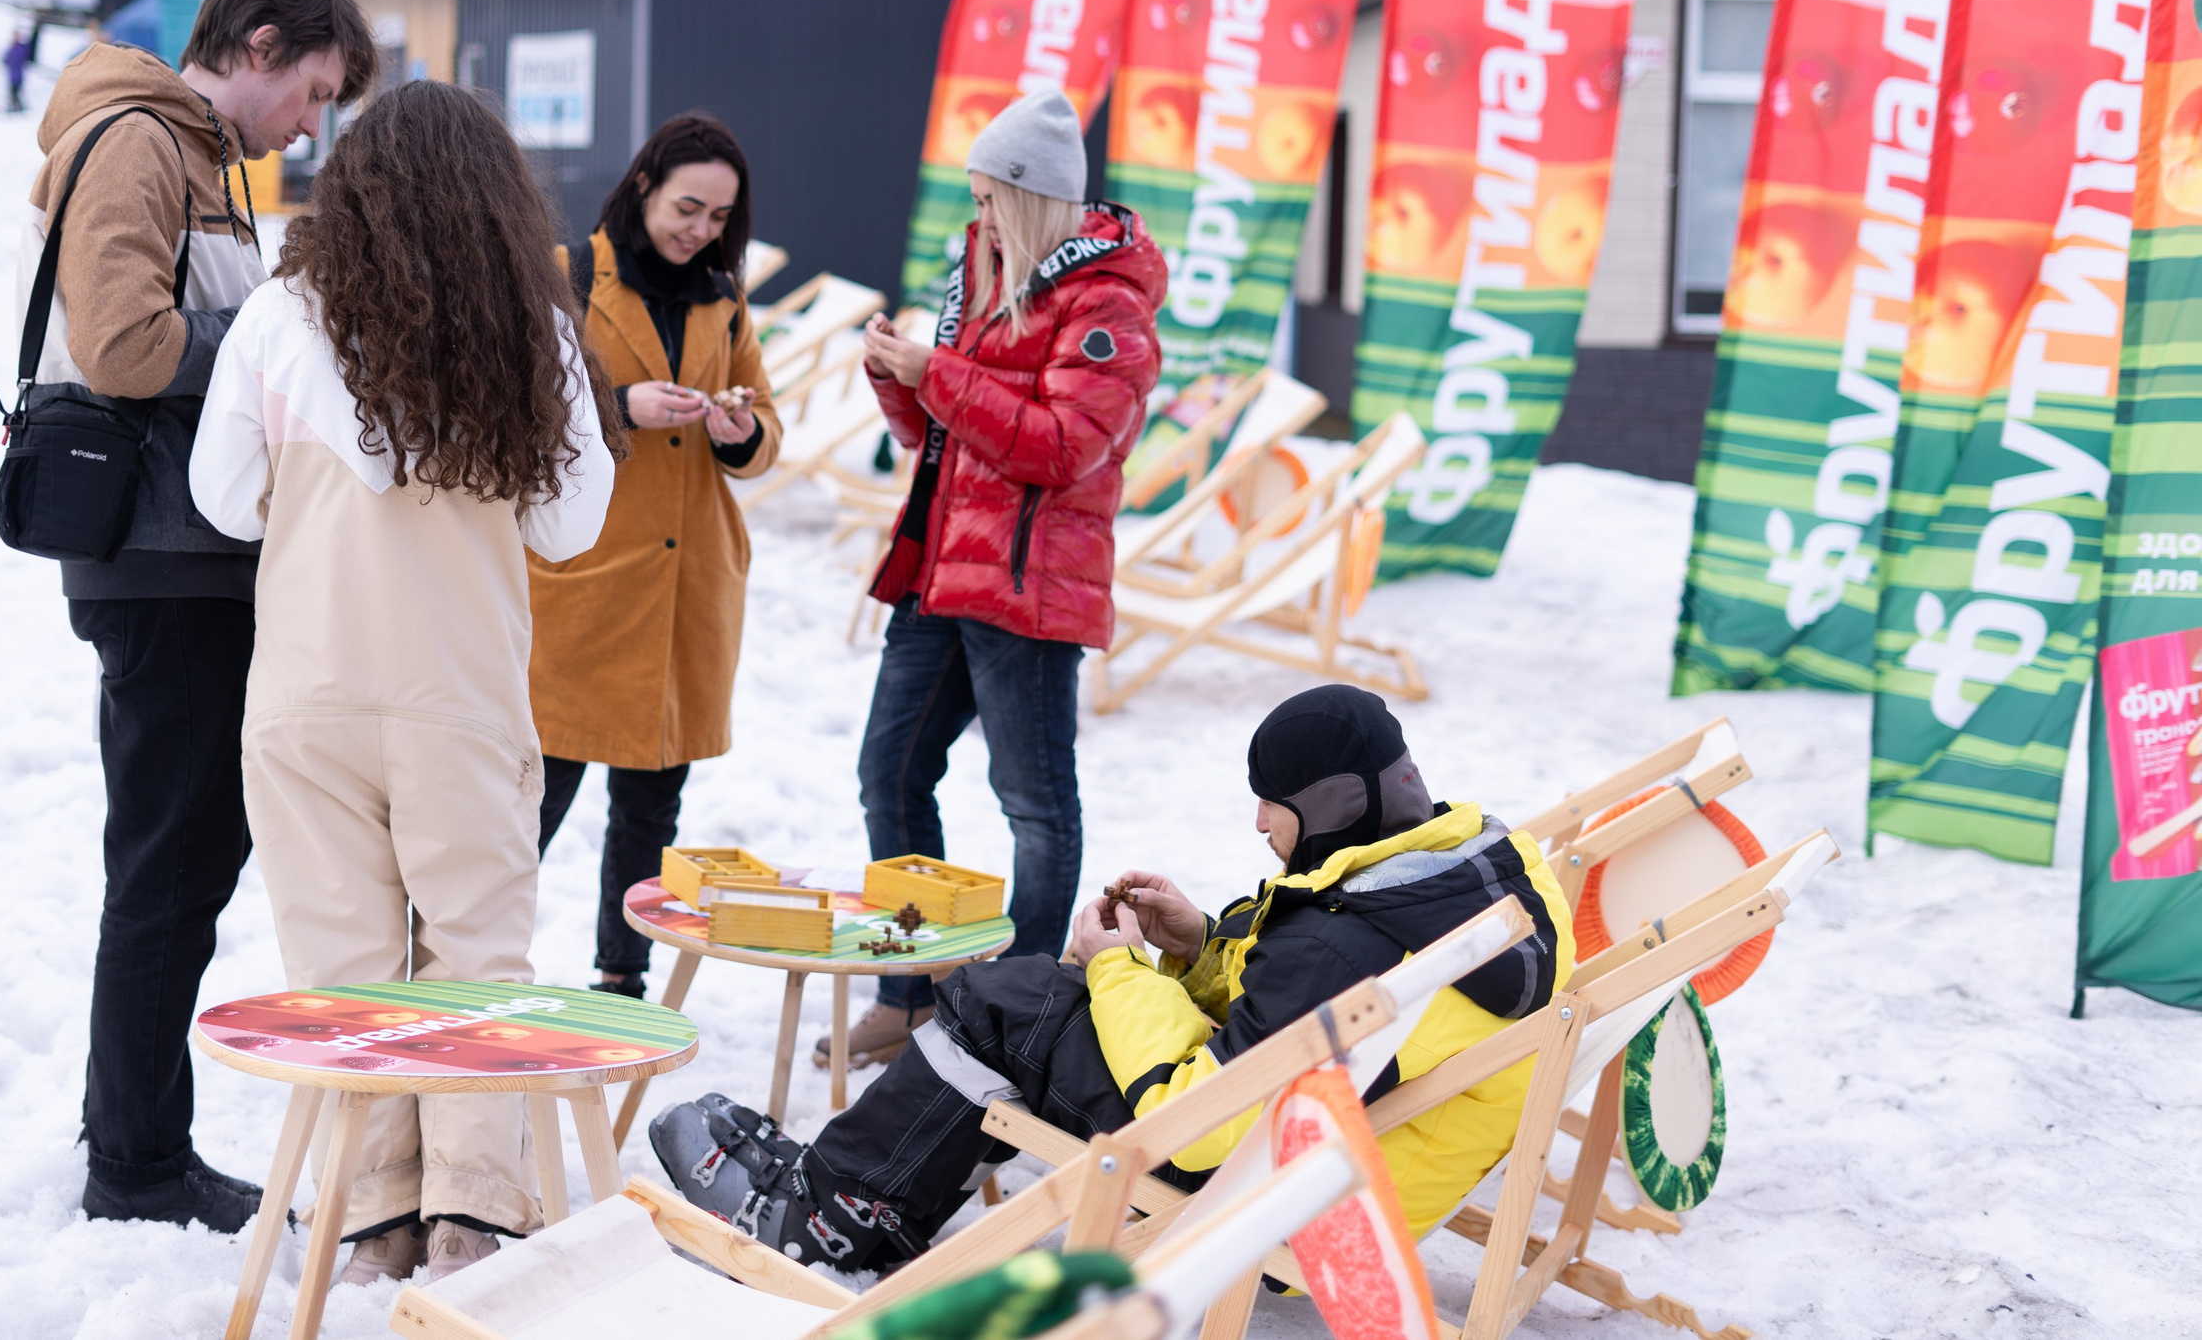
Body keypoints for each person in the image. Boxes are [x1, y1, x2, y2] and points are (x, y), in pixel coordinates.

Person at [650, 686, 1576, 1274]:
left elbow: (1207, 1124)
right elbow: (1290, 1015)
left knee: (1011, 1002)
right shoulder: (1471, 867)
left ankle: (824, 1223)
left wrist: (1122, 966)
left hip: (1286, 1187)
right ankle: (864, 1188)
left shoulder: (1350, 939)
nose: (1261, 824)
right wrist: (1198, 944)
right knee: (1042, 1001)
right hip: (1350, 1151)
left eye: (1277, 804)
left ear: (1337, 804)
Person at [190, 82, 618, 1286]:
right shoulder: (528, 329)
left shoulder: (280, 315)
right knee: (479, 954)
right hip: (460, 690)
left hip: (306, 691)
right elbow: (572, 526)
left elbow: (222, 500)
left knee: (343, 964)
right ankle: (472, 1211)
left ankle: (371, 1215)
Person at [14, 0, 375, 1231]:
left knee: (180, 859)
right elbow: (122, 343)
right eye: (314, 90)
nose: (312, 124)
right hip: (161, 562)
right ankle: (135, 1162)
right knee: (170, 865)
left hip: (188, 551)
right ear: (262, 43)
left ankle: (137, 1135)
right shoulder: (139, 141)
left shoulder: (199, 155)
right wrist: (282, 336)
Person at [823, 90, 1165, 1070]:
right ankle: (909, 981)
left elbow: (1062, 451)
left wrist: (936, 374)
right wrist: (899, 377)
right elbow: (939, 435)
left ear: (1030, 198)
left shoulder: (1109, 304)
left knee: (1034, 808)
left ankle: (1013, 1015)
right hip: (940, 572)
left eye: (987, 199)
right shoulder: (977, 267)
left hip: (1030, 590)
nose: (974, 218)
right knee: (888, 775)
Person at [530, 114, 781, 997]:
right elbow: (520, 408)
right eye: (688, 207)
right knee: (533, 803)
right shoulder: (568, 276)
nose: (702, 230)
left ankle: (620, 979)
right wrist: (618, 404)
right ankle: (471, 970)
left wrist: (741, 428)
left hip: (686, 587)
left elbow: (767, 430)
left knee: (649, 808)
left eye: (719, 216)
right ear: (643, 186)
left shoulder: (724, 295)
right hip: (583, 586)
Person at [5, 27, 34, 113]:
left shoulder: (22, 48)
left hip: (18, 76)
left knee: (15, 94)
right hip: (12, 76)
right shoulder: (12, 48)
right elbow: (5, 59)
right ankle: (14, 109)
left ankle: (19, 110)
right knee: (13, 94)